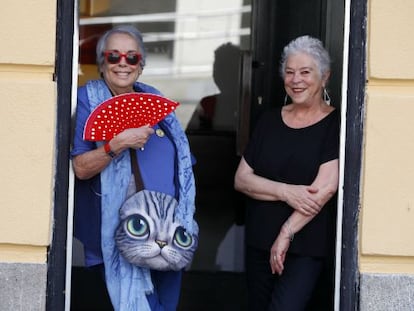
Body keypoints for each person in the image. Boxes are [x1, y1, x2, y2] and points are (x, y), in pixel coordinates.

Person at [71, 25, 197, 311]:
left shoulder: (158, 106)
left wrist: (185, 220)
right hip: (128, 236)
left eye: (132, 57)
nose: (123, 64)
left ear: (141, 66)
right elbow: (80, 168)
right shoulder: (87, 102)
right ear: (102, 64)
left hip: (171, 233)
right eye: (114, 56)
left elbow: (184, 167)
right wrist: (116, 144)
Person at [234, 35, 340, 311]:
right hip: (259, 240)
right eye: (290, 72)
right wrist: (286, 191)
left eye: (306, 72)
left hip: (305, 246)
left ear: (324, 77)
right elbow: (242, 179)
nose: (296, 80)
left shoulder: (335, 124)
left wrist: (286, 233)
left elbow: (325, 188)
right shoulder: (269, 120)